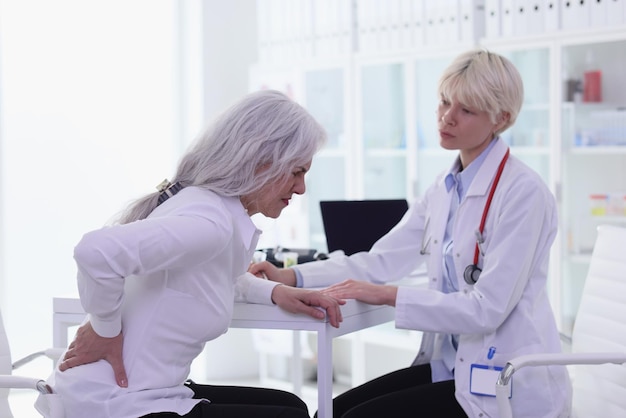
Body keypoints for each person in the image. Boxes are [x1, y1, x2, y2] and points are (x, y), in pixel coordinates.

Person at [250, 50, 572, 418]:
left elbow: (487, 310)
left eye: (466, 110)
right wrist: (292, 275)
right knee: (333, 410)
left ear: (502, 118)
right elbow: (379, 261)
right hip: (453, 367)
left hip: (503, 380)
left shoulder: (524, 193)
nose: (446, 117)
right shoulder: (444, 188)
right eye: (444, 101)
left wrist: (386, 295)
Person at [42, 89, 345, 418]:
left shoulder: (213, 211)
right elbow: (95, 252)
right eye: (297, 172)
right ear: (262, 163)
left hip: (146, 391)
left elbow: (212, 276)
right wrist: (105, 330)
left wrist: (275, 292)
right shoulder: (209, 223)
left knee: (291, 406)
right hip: (116, 403)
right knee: (291, 416)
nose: (301, 188)